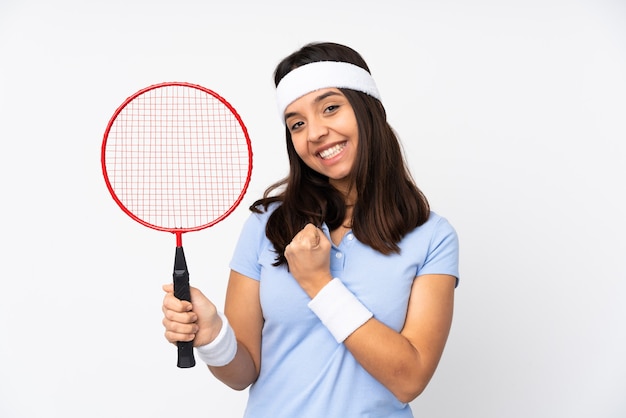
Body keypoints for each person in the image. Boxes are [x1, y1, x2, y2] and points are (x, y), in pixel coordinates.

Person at [161, 41, 460, 417]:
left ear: (368, 110)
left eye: (331, 108)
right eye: (297, 124)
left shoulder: (432, 237)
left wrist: (319, 283)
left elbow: (409, 379)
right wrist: (213, 337)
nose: (315, 133)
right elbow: (243, 371)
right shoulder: (266, 224)